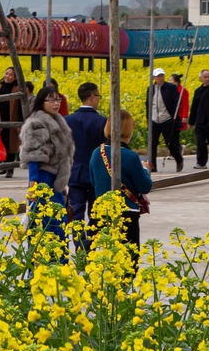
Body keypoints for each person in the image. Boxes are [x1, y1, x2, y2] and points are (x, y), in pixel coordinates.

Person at [90, 109, 152, 249]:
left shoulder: (97, 152)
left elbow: (94, 181)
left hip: (103, 212)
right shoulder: (131, 156)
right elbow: (145, 186)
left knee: (108, 255)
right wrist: (144, 169)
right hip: (127, 213)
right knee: (129, 257)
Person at [19, 86, 74, 235]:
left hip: (55, 180)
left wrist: (61, 182)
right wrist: (33, 183)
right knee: (46, 223)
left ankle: (56, 251)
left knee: (58, 222)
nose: (56, 103)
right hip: (42, 179)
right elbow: (33, 155)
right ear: (41, 102)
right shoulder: (37, 123)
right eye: (51, 100)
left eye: (58, 99)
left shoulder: (57, 120)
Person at [64, 81, 108, 226]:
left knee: (76, 213)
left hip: (75, 173)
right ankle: (92, 239)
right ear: (92, 96)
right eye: (98, 96)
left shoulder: (67, 120)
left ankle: (79, 240)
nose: (99, 100)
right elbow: (105, 150)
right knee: (96, 214)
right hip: (96, 175)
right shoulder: (102, 121)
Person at [0, 65, 29, 176]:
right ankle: (3, 165)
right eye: (6, 73)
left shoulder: (18, 89)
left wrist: (21, 122)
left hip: (12, 119)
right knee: (1, 142)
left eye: (10, 75)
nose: (7, 76)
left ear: (15, 77)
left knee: (10, 144)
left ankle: (10, 168)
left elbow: (22, 107)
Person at [145, 67, 184, 173]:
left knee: (170, 143)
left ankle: (179, 159)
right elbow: (148, 104)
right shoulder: (150, 88)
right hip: (154, 120)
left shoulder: (170, 87)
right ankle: (153, 166)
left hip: (166, 119)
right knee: (152, 144)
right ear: (154, 78)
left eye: (162, 76)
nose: (160, 78)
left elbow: (176, 103)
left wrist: (173, 118)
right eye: (158, 76)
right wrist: (148, 119)